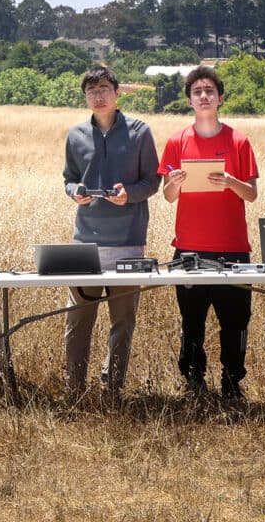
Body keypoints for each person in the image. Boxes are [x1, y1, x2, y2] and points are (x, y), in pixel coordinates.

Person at [160, 65, 259, 400]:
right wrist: (173, 184)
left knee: (236, 321)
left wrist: (231, 181)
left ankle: (233, 383)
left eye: (209, 91)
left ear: (220, 98)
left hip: (232, 248)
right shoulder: (176, 142)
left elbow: (253, 194)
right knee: (192, 323)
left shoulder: (239, 141)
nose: (203, 96)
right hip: (189, 249)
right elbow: (167, 195)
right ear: (189, 100)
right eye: (197, 92)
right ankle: (193, 381)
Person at [62, 64, 160, 399]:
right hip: (85, 243)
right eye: (92, 90)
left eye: (104, 88)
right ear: (85, 96)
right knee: (78, 321)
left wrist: (128, 195)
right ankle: (73, 389)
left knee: (122, 322)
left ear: (117, 94)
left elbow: (152, 180)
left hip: (128, 243)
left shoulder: (140, 132)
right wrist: (75, 192)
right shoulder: (75, 135)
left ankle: (111, 389)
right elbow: (68, 179)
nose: (99, 95)